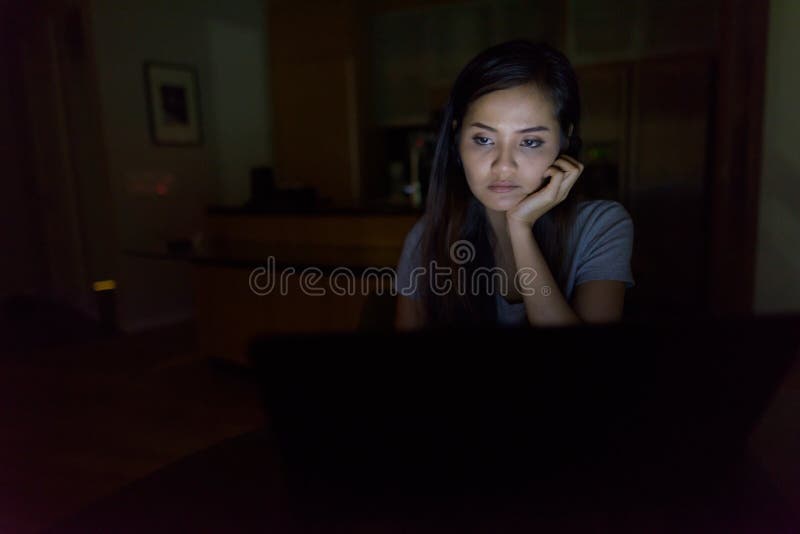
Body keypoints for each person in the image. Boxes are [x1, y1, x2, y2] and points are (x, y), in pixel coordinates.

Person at [394, 40, 634, 330]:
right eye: (484, 140)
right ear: (457, 138)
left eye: (530, 142)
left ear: (564, 139)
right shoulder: (428, 238)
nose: (504, 166)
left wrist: (520, 228)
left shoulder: (601, 226)